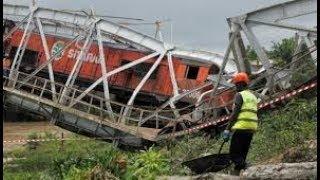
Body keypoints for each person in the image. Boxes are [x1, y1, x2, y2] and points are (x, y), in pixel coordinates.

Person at [222, 72, 258, 175]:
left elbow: (235, 113)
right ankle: (236, 174)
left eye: (236, 84)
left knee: (234, 154)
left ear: (241, 84)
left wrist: (227, 129)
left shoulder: (240, 95)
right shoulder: (253, 96)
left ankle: (251, 169)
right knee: (242, 155)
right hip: (251, 128)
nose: (235, 87)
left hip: (242, 127)